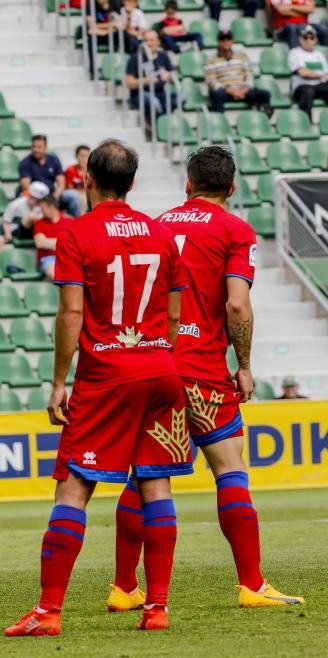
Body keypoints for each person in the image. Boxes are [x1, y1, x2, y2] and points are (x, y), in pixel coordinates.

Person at [5, 139, 192, 637]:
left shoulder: (75, 233)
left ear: (87, 178)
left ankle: (47, 613)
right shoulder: (160, 234)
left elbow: (70, 312)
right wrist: (153, 351)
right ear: (132, 183)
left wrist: (59, 382)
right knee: (155, 484)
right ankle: (156, 608)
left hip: (106, 375)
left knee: (73, 489)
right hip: (160, 369)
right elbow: (175, 316)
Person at [108, 145, 305, 614]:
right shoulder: (235, 230)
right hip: (201, 369)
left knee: (146, 478)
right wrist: (245, 364)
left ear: (188, 185)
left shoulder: (155, 225)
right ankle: (252, 585)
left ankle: (123, 587)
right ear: (231, 189)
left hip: (152, 364)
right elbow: (237, 304)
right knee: (229, 469)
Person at [205, 31, 272, 115]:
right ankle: (220, 124)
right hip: (225, 91)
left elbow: (249, 76)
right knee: (216, 94)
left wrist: (245, 89)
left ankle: (263, 121)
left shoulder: (242, 56)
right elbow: (211, 80)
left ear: (232, 41)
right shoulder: (211, 59)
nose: (226, 41)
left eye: (228, 39)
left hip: (242, 90)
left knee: (264, 94)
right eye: (223, 39)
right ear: (218, 42)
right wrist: (229, 90)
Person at [125, 30, 181, 125]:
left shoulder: (163, 56)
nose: (148, 43)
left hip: (161, 93)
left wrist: (169, 76)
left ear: (158, 42)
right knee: (154, 102)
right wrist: (145, 81)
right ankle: (157, 124)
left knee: (182, 96)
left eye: (151, 40)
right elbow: (129, 83)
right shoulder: (136, 58)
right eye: (146, 40)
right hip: (141, 93)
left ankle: (160, 120)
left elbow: (173, 77)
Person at [19, 135, 81, 219]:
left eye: (39, 147)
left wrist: (54, 197)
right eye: (33, 146)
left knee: (73, 196)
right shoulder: (25, 162)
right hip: (36, 198)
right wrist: (41, 200)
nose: (35, 150)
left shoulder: (53, 159)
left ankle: (75, 224)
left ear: (45, 147)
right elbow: (26, 187)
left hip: (53, 195)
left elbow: (61, 183)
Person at [288, 25, 328, 119]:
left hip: (319, 86)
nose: (308, 41)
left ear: (316, 40)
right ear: (300, 39)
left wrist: (320, 76)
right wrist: (321, 75)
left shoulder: (319, 55)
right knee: (308, 91)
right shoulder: (295, 52)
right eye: (305, 37)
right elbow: (303, 73)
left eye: (311, 38)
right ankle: (306, 122)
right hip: (301, 87)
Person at [32, 195, 71, 281]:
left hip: (67, 258)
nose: (41, 211)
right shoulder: (39, 223)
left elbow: (74, 243)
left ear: (52, 207)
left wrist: (50, 242)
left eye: (43, 208)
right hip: (48, 258)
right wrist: (63, 242)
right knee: (53, 273)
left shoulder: (69, 222)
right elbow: (40, 243)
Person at [63, 144, 89, 215]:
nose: (84, 159)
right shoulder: (70, 170)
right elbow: (70, 189)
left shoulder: (91, 172)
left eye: (86, 156)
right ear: (76, 156)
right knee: (80, 199)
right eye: (82, 156)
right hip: (76, 197)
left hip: (86, 196)